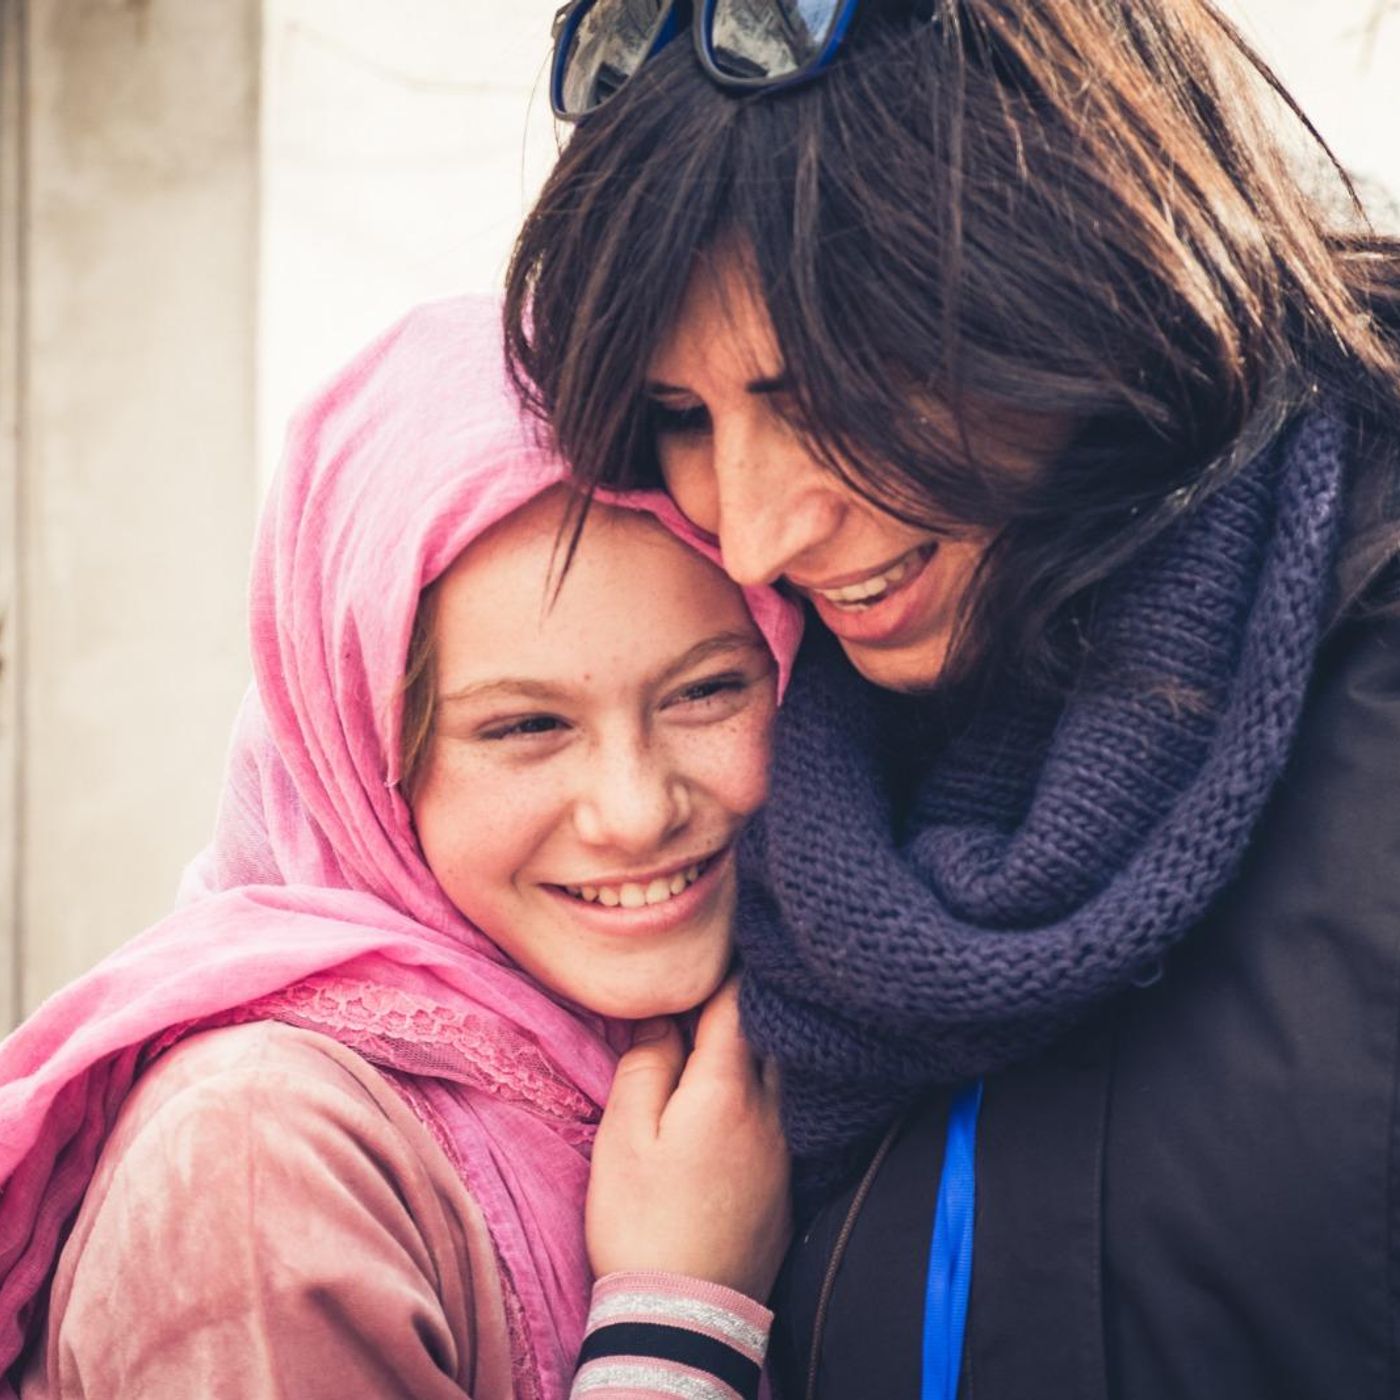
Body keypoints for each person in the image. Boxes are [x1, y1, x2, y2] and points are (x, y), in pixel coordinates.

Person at [504, 2, 1400, 1396]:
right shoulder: (784, 792)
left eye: (828, 390)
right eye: (682, 416)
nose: (754, 536)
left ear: (1085, 268)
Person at [0, 296, 803, 1400]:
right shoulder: (259, 1160)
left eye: (707, 691)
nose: (633, 810)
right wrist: (683, 1319)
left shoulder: (797, 1037)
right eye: (525, 725)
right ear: (362, 757)